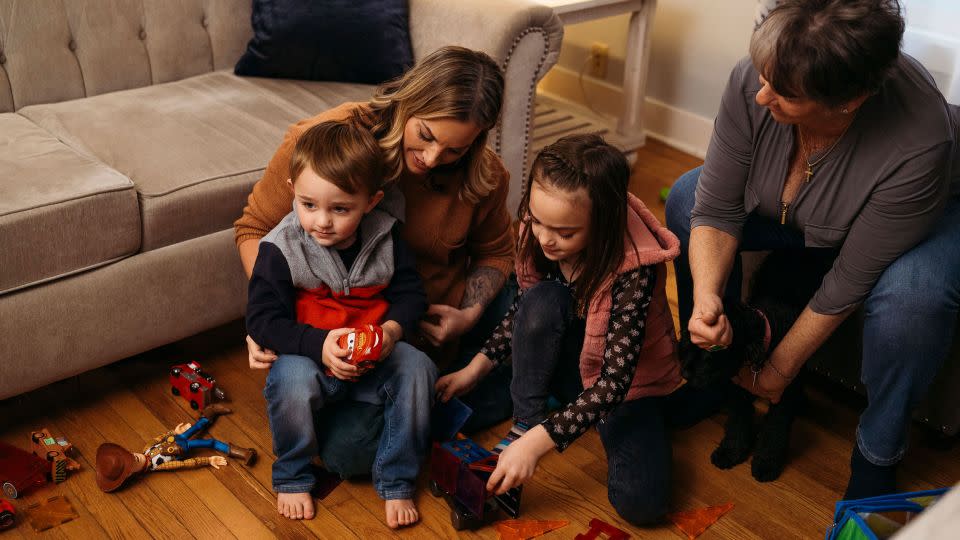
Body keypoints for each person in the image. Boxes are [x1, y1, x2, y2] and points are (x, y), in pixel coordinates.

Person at [665, 0, 959, 500]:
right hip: (791, 212)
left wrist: (777, 370)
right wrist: (709, 301)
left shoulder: (920, 138)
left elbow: (849, 279)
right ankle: (712, 378)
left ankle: (878, 451)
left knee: (914, 304)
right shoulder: (761, 77)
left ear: (850, 99)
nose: (760, 96)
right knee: (684, 198)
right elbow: (713, 208)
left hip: (913, 217)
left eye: (783, 94)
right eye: (762, 76)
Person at [234, 46, 517, 449]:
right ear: (409, 101)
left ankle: (485, 384)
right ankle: (456, 401)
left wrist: (468, 315)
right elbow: (255, 229)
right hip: (345, 340)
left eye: (456, 149)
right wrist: (268, 314)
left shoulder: (485, 174)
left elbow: (497, 252)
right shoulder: (326, 141)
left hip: (424, 328)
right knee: (347, 452)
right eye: (426, 135)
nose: (434, 158)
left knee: (528, 308)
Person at [436, 134, 687, 525]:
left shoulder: (635, 270)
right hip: (564, 364)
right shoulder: (540, 232)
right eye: (536, 220)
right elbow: (525, 310)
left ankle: (541, 423)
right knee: (539, 302)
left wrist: (541, 443)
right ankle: (526, 418)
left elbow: (615, 383)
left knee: (643, 505)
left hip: (623, 388)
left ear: (603, 223)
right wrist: (478, 366)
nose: (544, 237)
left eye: (565, 233)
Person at [245, 120, 435, 528]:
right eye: (308, 204)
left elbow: (410, 296)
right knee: (290, 378)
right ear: (293, 188)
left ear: (371, 201)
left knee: (419, 367)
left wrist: (392, 332)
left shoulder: (386, 236)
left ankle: (397, 479)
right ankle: (293, 474)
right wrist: (317, 345)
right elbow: (262, 319)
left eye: (340, 209)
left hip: (373, 358)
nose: (322, 221)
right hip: (311, 359)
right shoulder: (281, 248)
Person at [95, 404, 255, 493]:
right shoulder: (158, 466)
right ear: (132, 474)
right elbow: (184, 464)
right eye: (132, 463)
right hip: (184, 447)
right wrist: (208, 460)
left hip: (179, 438)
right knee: (210, 443)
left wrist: (173, 432)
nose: (134, 456)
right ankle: (241, 452)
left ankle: (210, 412)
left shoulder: (146, 448)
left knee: (199, 425)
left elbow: (158, 439)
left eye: (130, 454)